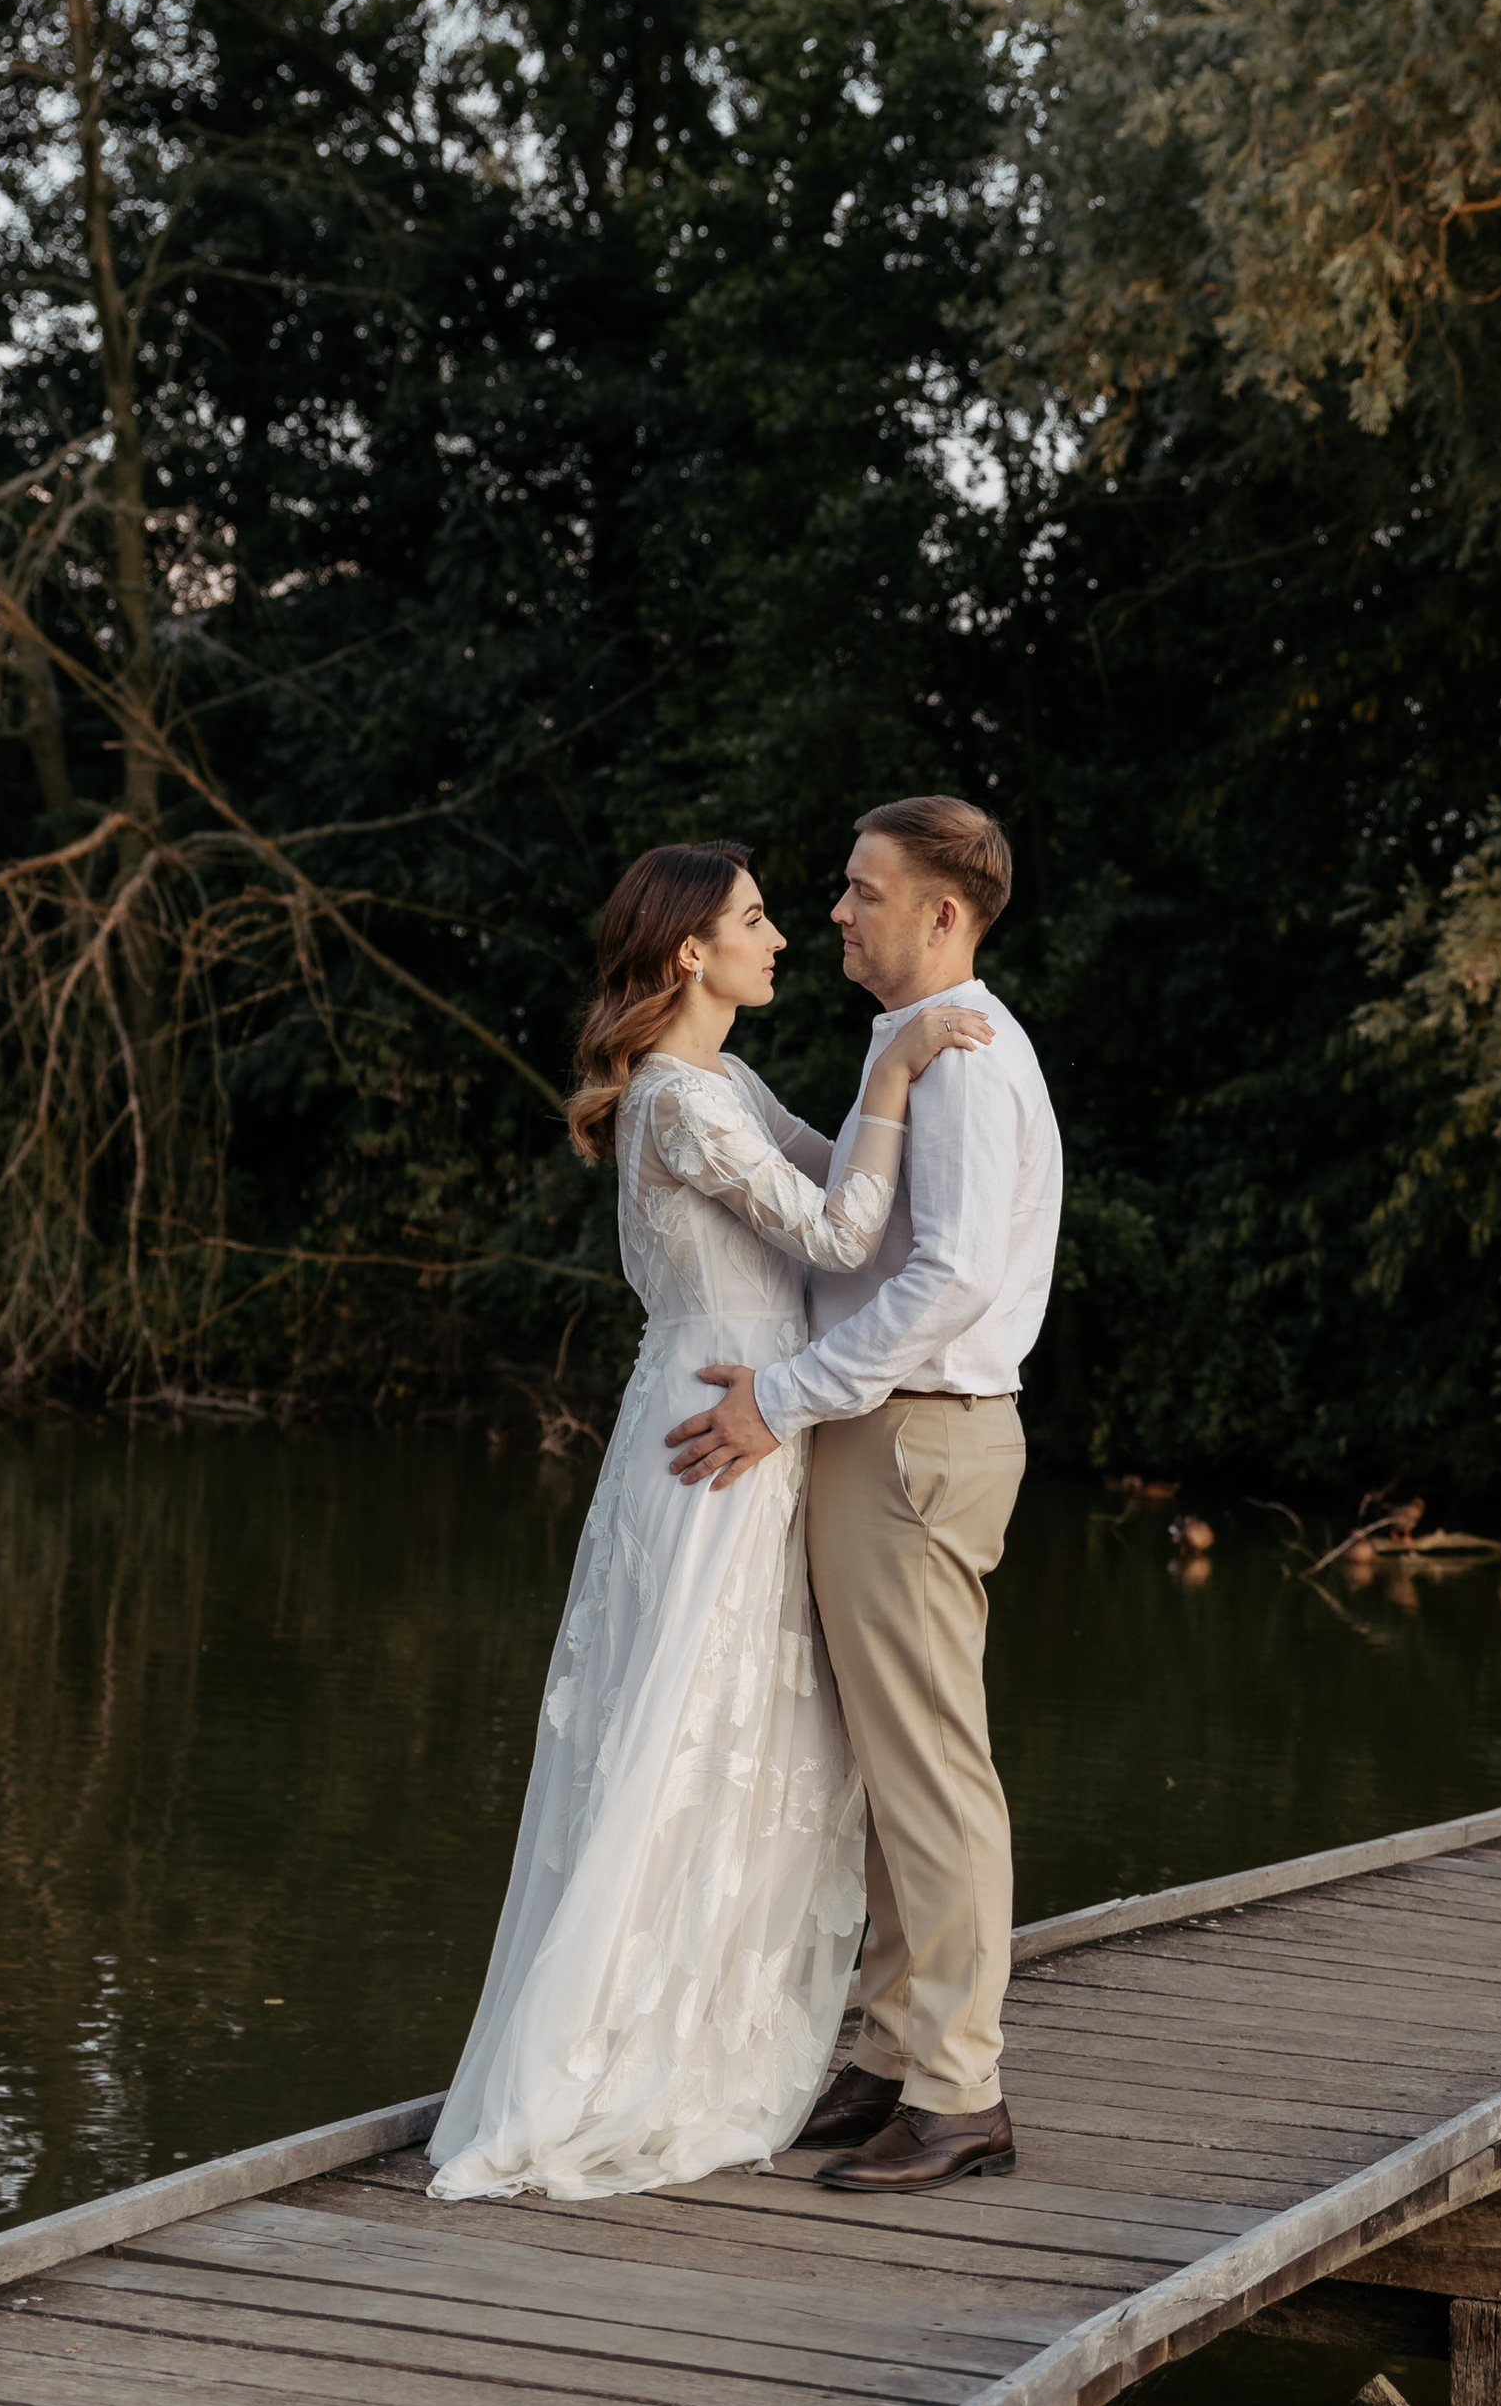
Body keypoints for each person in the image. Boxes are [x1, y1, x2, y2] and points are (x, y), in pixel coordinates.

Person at [427, 841, 989, 2202]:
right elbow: (845, 1235)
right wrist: (906, 1064)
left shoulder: (723, 1082)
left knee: (746, 1727)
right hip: (715, 1443)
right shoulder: (679, 1103)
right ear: (690, 953)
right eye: (754, 919)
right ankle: (624, 2053)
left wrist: (895, 1088)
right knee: (687, 1726)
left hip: (743, 1423)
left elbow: (846, 1173)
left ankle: (708, 2028)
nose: (784, 936)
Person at [665, 796, 1062, 2198]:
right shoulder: (913, 1051)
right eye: (838, 889)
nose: (838, 910)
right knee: (891, 1766)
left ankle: (960, 2092)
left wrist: (779, 1396)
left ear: (942, 914)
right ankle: (897, 2055)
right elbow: (855, 1211)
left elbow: (946, 1277)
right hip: (890, 1433)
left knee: (932, 1768)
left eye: (863, 891)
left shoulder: (961, 1059)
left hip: (917, 1438)